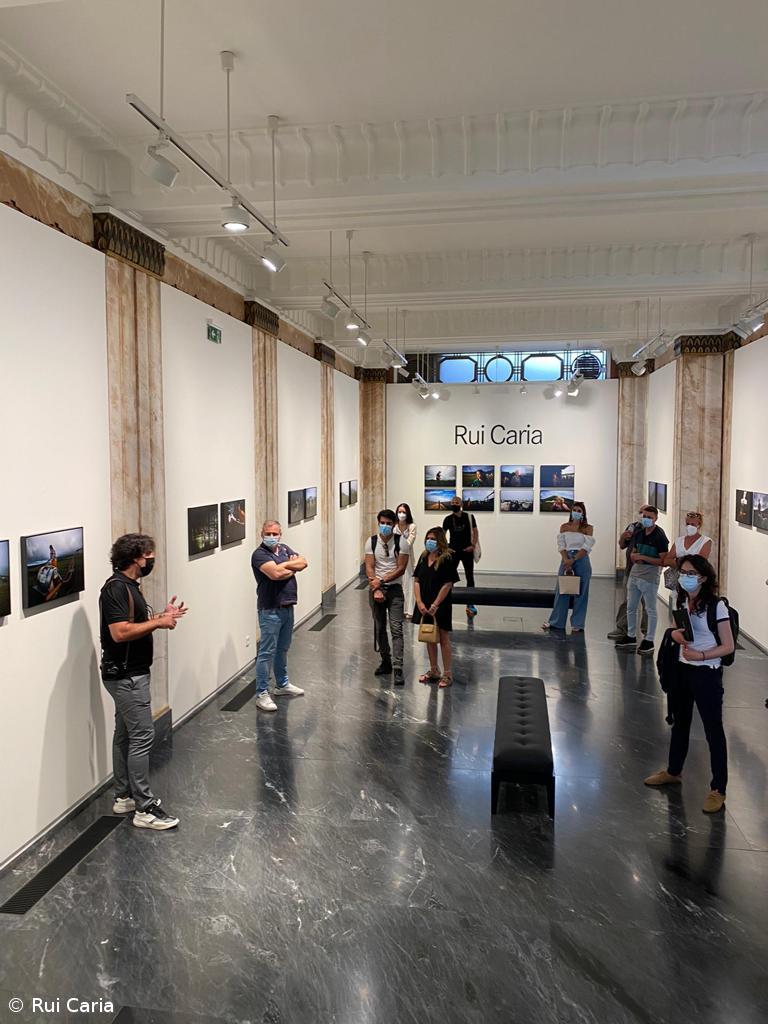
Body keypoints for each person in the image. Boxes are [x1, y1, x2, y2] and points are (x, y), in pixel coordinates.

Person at [99, 533, 187, 831]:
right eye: (150, 555)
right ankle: (144, 807)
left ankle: (123, 796)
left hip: (130, 673)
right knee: (142, 737)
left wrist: (163, 615)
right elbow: (120, 633)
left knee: (125, 734)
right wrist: (159, 622)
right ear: (137, 557)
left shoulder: (130, 587)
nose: (152, 560)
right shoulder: (115, 589)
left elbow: (133, 624)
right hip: (126, 676)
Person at [644, 555, 734, 814]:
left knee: (712, 730)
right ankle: (674, 770)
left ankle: (718, 788)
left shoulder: (717, 607)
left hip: (706, 672)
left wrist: (702, 655)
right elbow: (676, 628)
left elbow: (727, 645)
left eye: (691, 573)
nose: (685, 576)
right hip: (683, 670)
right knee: (680, 723)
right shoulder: (682, 598)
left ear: (704, 577)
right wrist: (673, 634)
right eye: (683, 572)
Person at [251, 520, 308, 712]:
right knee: (266, 652)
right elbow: (275, 574)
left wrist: (285, 566)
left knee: (283, 648)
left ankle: (282, 685)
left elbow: (304, 562)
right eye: (268, 533)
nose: (272, 536)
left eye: (275, 533)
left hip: (287, 606)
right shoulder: (259, 554)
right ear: (262, 533)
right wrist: (291, 566)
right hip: (270, 609)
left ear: (281, 534)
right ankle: (262, 693)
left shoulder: (283, 548)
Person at [614, 505, 669, 655]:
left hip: (650, 576)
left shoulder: (660, 536)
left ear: (656, 518)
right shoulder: (638, 531)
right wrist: (634, 555)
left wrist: (643, 557)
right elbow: (632, 549)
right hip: (635, 573)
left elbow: (664, 560)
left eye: (649, 517)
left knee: (650, 609)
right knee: (631, 607)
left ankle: (649, 639)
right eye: (644, 516)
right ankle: (631, 636)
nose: (646, 519)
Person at [364, 509, 410, 684]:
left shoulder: (401, 542)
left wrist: (381, 581)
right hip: (376, 588)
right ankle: (385, 661)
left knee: (396, 628)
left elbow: (401, 568)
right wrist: (375, 587)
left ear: (394, 525)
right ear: (378, 523)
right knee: (379, 627)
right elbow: (369, 566)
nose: (385, 526)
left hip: (394, 589)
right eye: (382, 523)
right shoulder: (371, 541)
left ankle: (398, 666)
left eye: (389, 524)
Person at [412, 527, 459, 688]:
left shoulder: (447, 558)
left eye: (432, 539)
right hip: (424, 604)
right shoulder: (424, 556)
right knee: (429, 637)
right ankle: (433, 670)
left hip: (440, 605)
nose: (429, 542)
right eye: (427, 538)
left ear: (439, 541)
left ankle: (447, 674)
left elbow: (448, 584)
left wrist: (435, 604)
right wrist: (419, 602)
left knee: (443, 638)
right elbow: (416, 580)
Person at [543, 501, 594, 633]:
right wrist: (566, 559)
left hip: (581, 560)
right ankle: (556, 622)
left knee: (581, 593)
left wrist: (574, 559)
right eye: (574, 510)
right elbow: (561, 545)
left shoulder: (588, 528)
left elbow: (586, 547)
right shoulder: (564, 527)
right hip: (566, 560)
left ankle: (578, 623)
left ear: (583, 513)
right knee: (562, 591)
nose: (576, 512)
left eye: (579, 510)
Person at [608, 514, 649, 640]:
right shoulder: (633, 526)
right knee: (627, 601)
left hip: (646, 574)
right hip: (629, 571)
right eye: (642, 513)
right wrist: (623, 536)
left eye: (647, 514)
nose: (643, 516)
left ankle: (647, 632)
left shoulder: (655, 532)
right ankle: (622, 628)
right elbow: (622, 545)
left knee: (647, 604)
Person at [442, 497, 479, 618]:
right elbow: (442, 534)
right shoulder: (447, 519)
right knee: (449, 577)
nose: (454, 505)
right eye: (452, 503)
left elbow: (475, 531)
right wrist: (446, 548)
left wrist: (472, 545)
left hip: (466, 551)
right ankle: (447, 600)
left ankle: (470, 604)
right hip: (453, 552)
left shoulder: (469, 517)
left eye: (456, 503)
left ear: (461, 504)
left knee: (470, 576)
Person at [395, 502, 418, 619]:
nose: (401, 514)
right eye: (399, 512)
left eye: (404, 512)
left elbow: (409, 543)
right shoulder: (394, 526)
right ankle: (397, 609)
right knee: (398, 583)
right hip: (395, 559)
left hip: (408, 559)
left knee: (409, 583)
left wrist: (399, 544)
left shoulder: (412, 526)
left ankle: (408, 610)